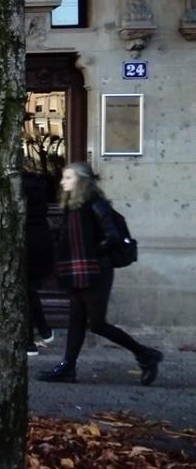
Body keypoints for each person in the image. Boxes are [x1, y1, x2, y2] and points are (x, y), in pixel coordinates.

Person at [38, 162, 162, 385]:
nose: (62, 181)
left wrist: (90, 254)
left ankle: (145, 354)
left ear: (82, 181)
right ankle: (68, 367)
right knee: (76, 320)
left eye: (68, 177)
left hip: (96, 271)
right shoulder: (72, 207)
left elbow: (112, 236)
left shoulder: (96, 204)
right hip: (78, 271)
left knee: (97, 324)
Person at [22, 172, 55, 356]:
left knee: (25, 294)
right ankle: (44, 330)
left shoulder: (20, 191)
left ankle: (29, 342)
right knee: (30, 291)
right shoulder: (40, 189)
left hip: (26, 243)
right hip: (42, 240)